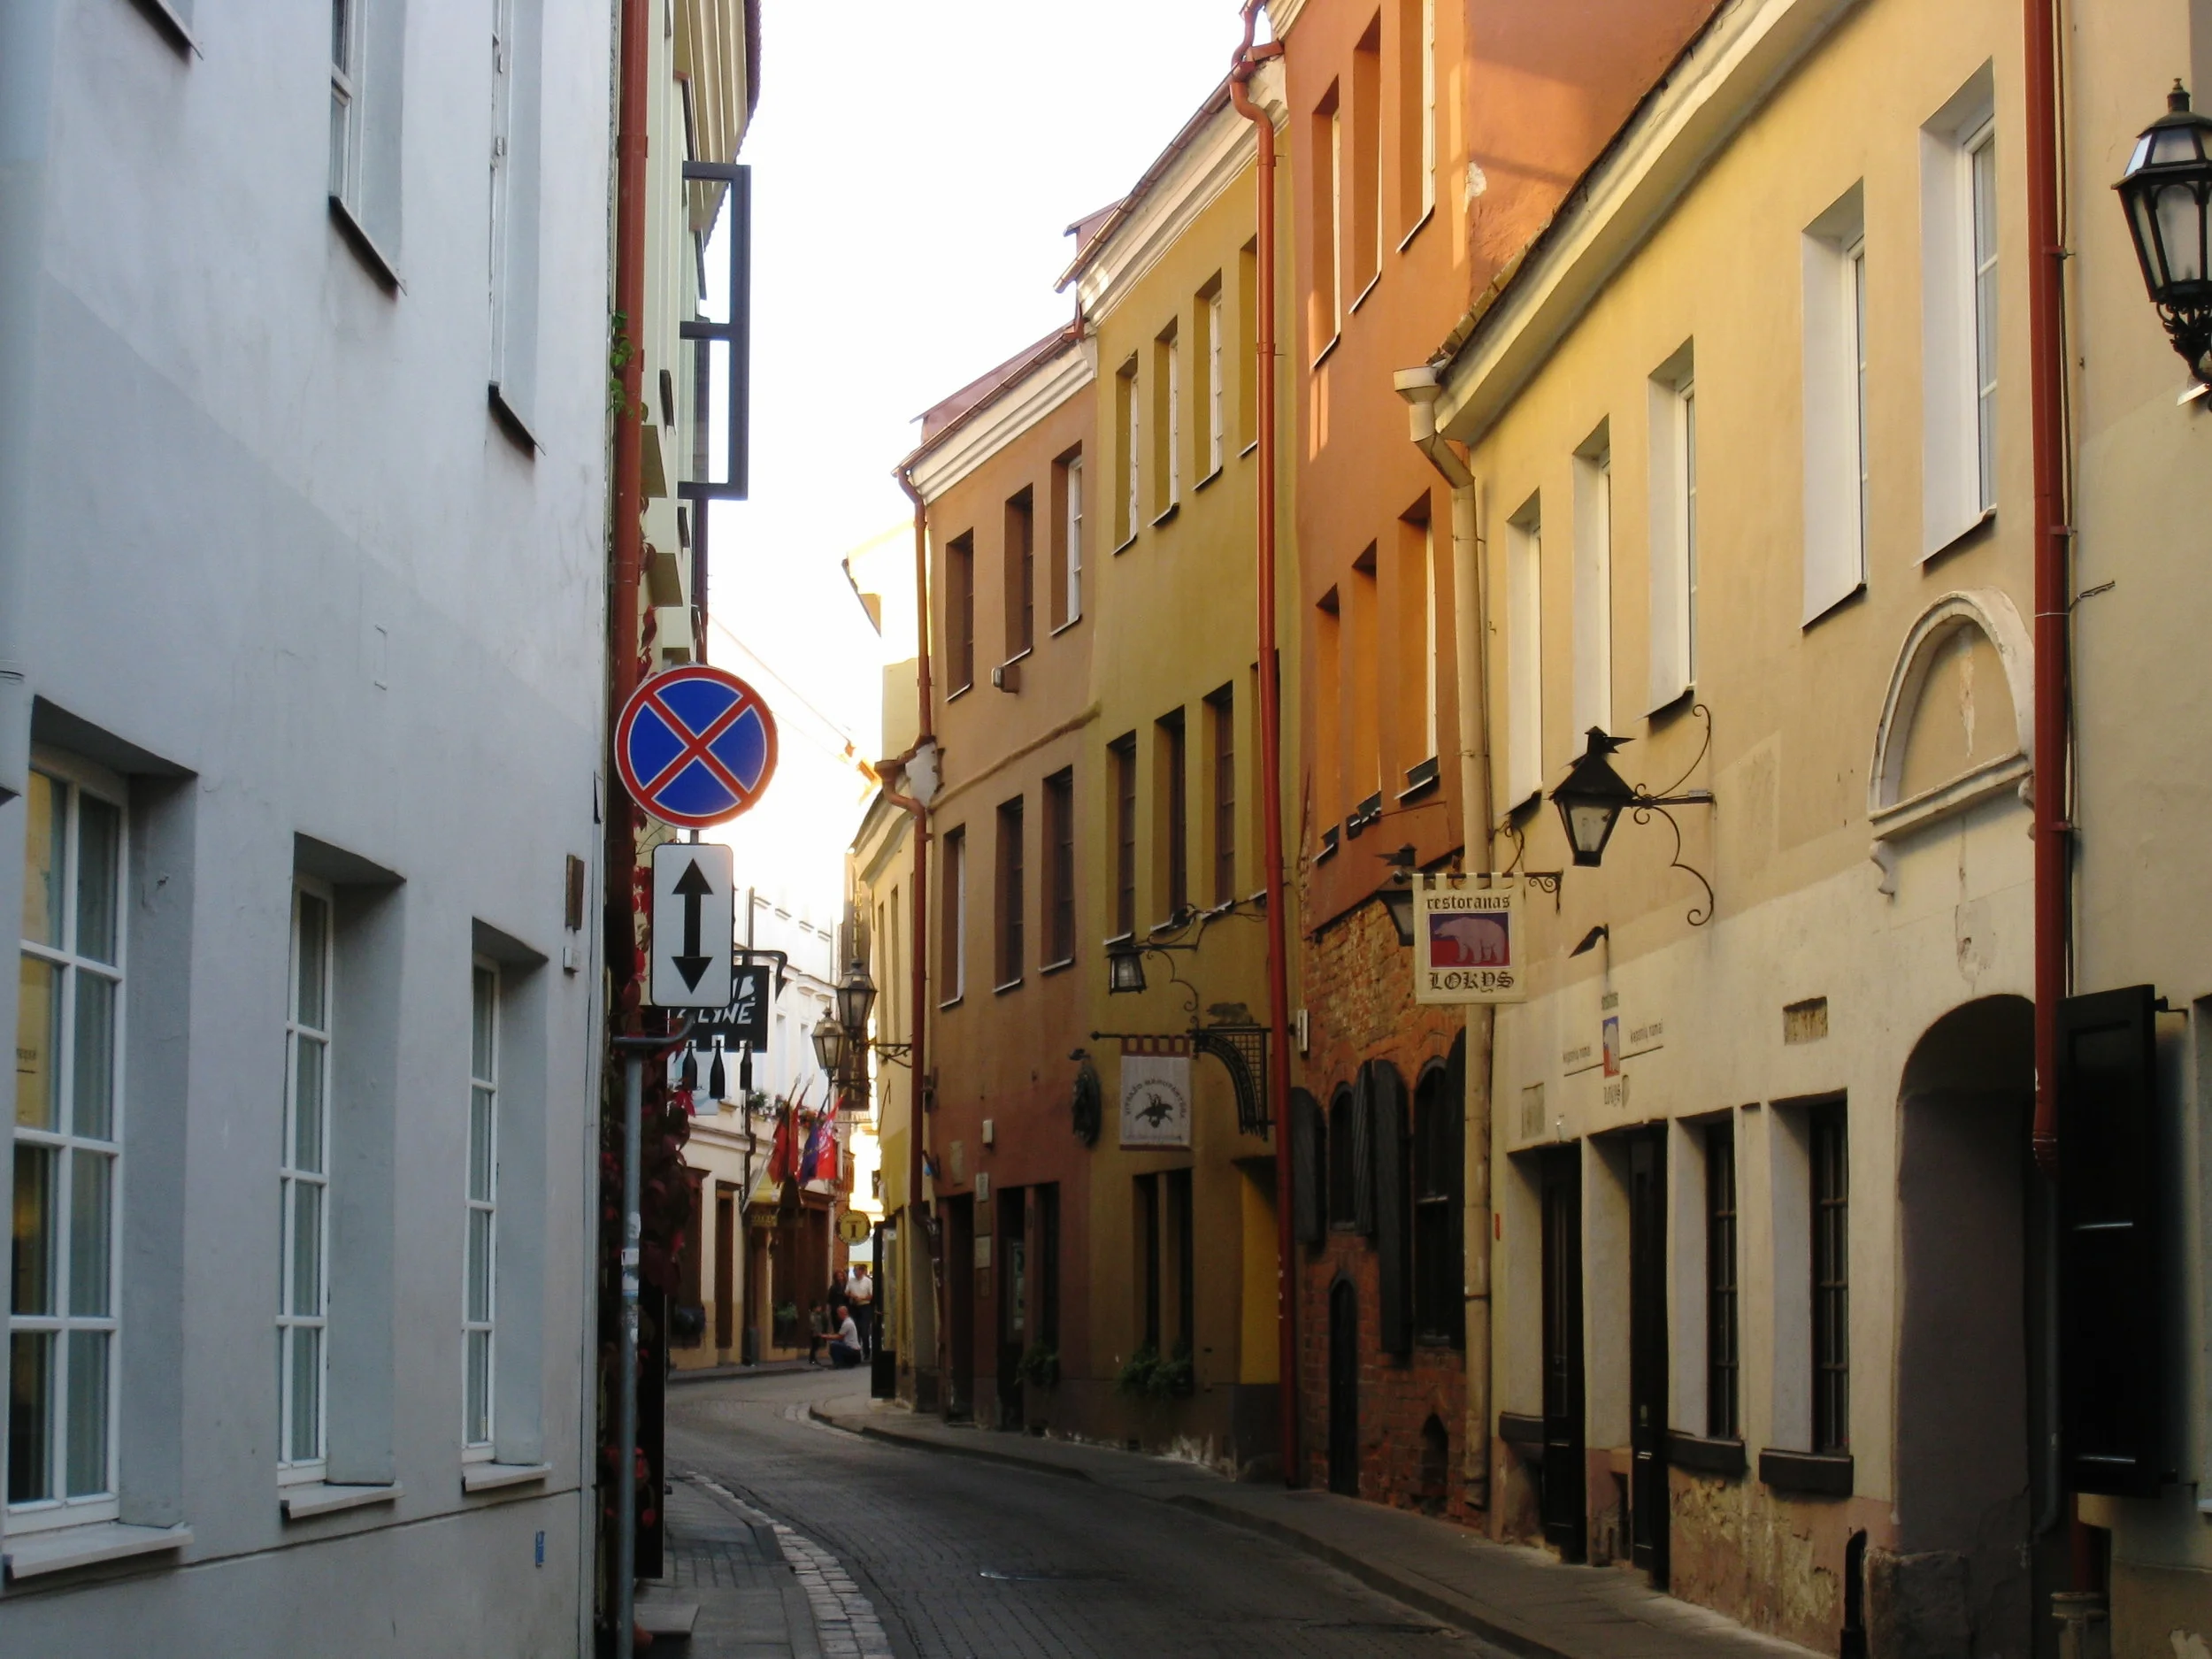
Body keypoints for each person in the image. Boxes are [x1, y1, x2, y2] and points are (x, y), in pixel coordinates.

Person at [845, 1263, 875, 1357]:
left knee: (864, 1331)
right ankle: (856, 1353)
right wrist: (852, 1296)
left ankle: (866, 1352)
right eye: (854, 1271)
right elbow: (846, 1292)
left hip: (864, 1306)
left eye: (857, 1271)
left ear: (862, 1271)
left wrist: (861, 1298)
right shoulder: (851, 1281)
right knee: (855, 1330)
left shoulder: (868, 1281)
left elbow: (871, 1296)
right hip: (854, 1307)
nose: (855, 1272)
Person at [825, 1303, 864, 1369]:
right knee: (838, 1344)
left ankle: (839, 1363)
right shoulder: (849, 1321)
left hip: (853, 1350)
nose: (838, 1315)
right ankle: (844, 1362)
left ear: (842, 1313)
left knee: (833, 1345)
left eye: (838, 1313)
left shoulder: (847, 1323)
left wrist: (826, 1336)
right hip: (853, 1349)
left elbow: (839, 1337)